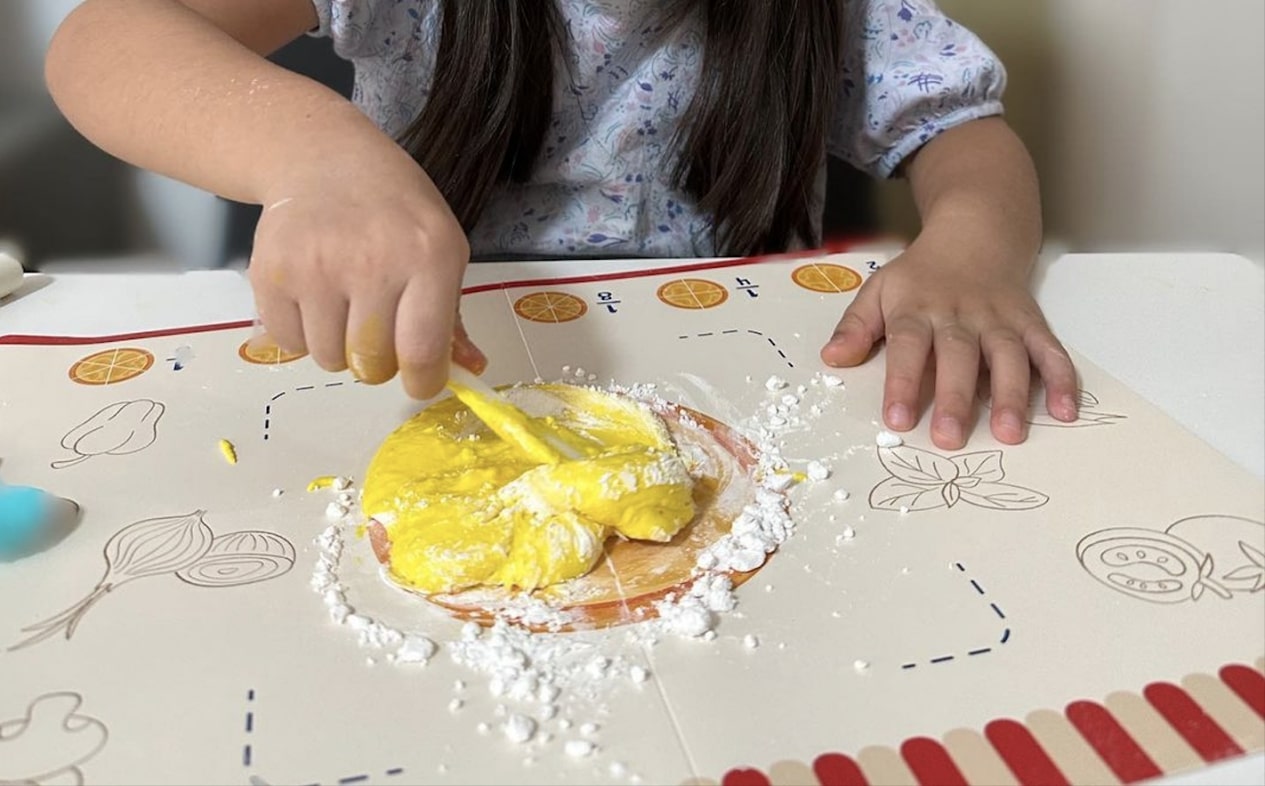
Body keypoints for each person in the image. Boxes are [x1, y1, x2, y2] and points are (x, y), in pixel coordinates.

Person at [43, 0, 1079, 450]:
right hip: (436, 375)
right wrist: (317, 160)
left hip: (752, 389)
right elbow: (104, 38)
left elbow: (962, 135)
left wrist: (970, 248)